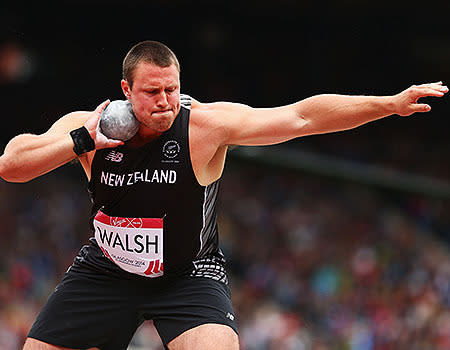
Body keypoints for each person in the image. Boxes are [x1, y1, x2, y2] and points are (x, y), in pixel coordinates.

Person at [0, 40, 447, 350]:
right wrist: (82, 141)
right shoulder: (89, 127)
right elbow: (12, 164)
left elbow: (302, 117)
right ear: (125, 91)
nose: (164, 101)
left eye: (171, 89)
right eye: (151, 92)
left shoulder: (204, 127)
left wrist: (386, 104)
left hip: (188, 275)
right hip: (106, 270)